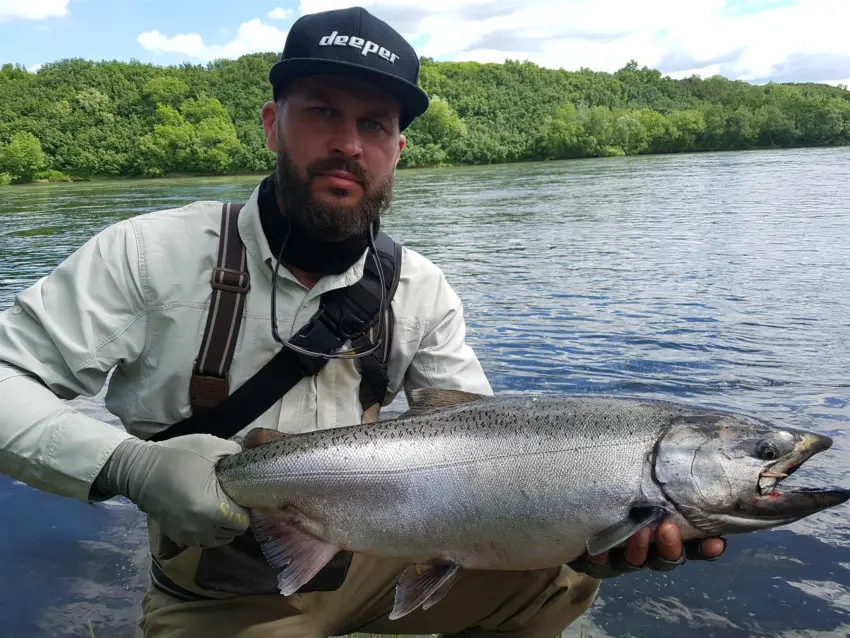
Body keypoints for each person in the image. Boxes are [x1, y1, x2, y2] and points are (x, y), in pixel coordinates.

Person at [0, 6, 726, 637]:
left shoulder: (420, 287)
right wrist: (129, 465)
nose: (349, 141)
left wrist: (588, 525)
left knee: (562, 581)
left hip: (380, 556)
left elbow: (481, 441)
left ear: (397, 151)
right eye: (322, 111)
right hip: (222, 588)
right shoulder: (148, 254)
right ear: (271, 124)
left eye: (374, 124)